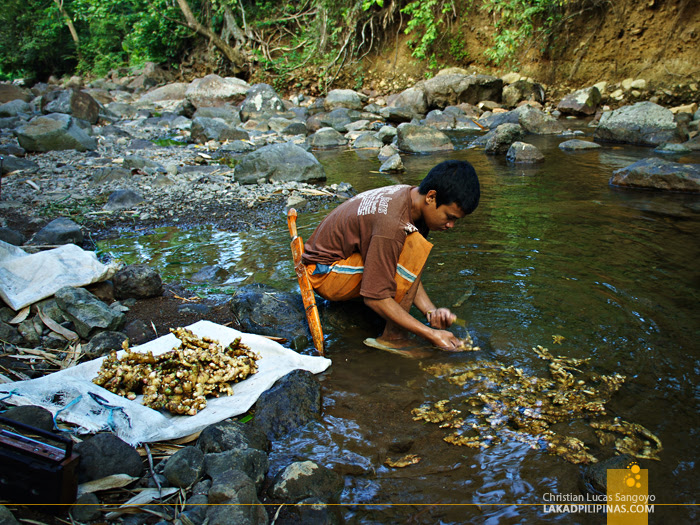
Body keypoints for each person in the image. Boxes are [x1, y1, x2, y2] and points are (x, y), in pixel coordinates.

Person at [301, 159, 480, 353]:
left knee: (411, 250)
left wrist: (431, 311)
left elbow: (409, 266)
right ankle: (393, 339)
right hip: (324, 272)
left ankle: (396, 334)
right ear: (431, 197)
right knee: (399, 262)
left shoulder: (411, 197)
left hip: (341, 258)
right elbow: (376, 297)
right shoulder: (394, 225)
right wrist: (431, 334)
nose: (450, 225)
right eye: (450, 217)